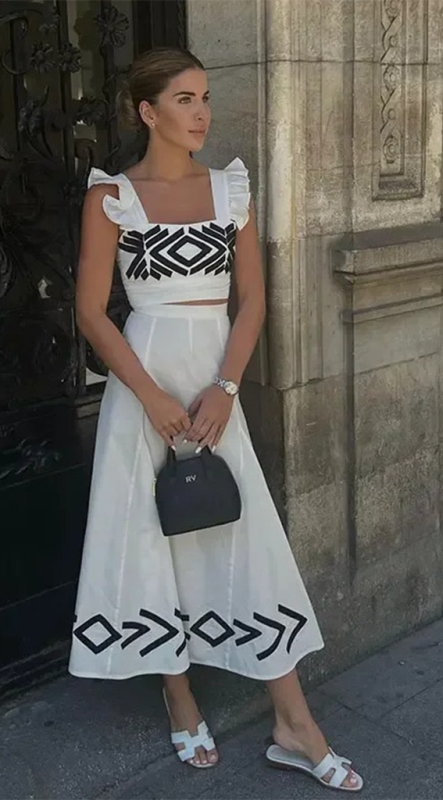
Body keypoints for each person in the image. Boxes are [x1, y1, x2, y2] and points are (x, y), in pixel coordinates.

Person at [69, 47, 363, 792]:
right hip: (143, 385)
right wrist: (151, 397)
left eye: (204, 98)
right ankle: (179, 696)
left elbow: (252, 300)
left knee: (246, 534)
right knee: (148, 533)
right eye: (184, 100)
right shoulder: (111, 198)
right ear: (148, 112)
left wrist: (227, 388)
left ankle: (294, 723)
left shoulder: (232, 189)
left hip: (213, 383)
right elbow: (91, 314)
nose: (201, 113)